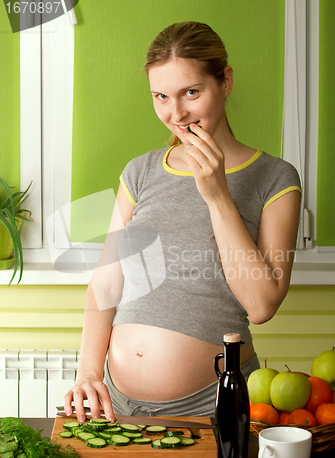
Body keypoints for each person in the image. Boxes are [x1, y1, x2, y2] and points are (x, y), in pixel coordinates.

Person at [65, 21, 301, 422]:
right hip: (117, 405)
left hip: (212, 404)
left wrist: (217, 195)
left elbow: (261, 305)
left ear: (224, 81)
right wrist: (88, 372)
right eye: (161, 96)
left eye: (191, 92)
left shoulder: (275, 177)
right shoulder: (140, 172)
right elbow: (106, 282)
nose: (176, 114)